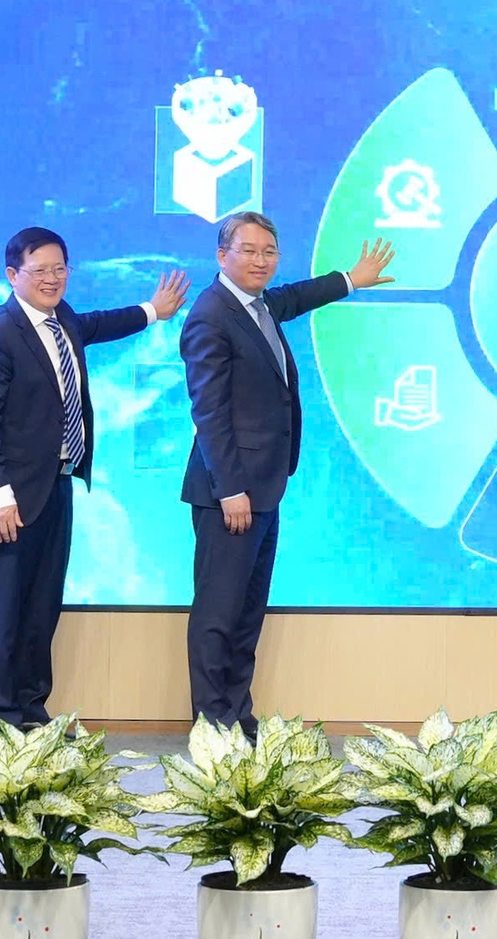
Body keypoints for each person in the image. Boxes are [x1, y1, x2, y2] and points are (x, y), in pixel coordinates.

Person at [0, 227, 189, 729]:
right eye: (39, 270)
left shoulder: (60, 317)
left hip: (55, 485)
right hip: (9, 497)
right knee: (4, 609)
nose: (52, 278)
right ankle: (1, 717)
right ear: (12, 275)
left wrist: (153, 311)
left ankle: (32, 711)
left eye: (59, 268)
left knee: (41, 607)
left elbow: (97, 324)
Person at [180, 212, 396, 733]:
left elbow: (295, 297)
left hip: (264, 487)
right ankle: (212, 725)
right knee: (218, 613)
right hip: (230, 493)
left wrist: (350, 279)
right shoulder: (211, 315)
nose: (261, 261)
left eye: (269, 251)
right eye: (249, 251)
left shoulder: (257, 306)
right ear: (222, 256)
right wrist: (230, 489)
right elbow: (209, 412)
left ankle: (237, 715)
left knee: (246, 610)